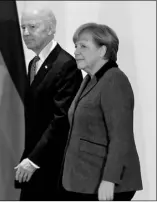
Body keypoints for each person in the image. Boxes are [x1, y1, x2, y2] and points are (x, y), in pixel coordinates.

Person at [61, 22, 143, 201]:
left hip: (107, 183)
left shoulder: (114, 80)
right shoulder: (90, 80)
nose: (76, 51)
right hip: (84, 178)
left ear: (102, 51)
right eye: (76, 46)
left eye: (83, 46)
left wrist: (109, 179)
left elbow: (121, 137)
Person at [14, 6, 83, 200]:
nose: (26, 33)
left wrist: (34, 160)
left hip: (52, 167)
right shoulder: (34, 63)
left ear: (51, 28)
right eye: (23, 27)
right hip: (34, 163)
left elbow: (62, 120)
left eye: (33, 27)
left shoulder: (66, 65)